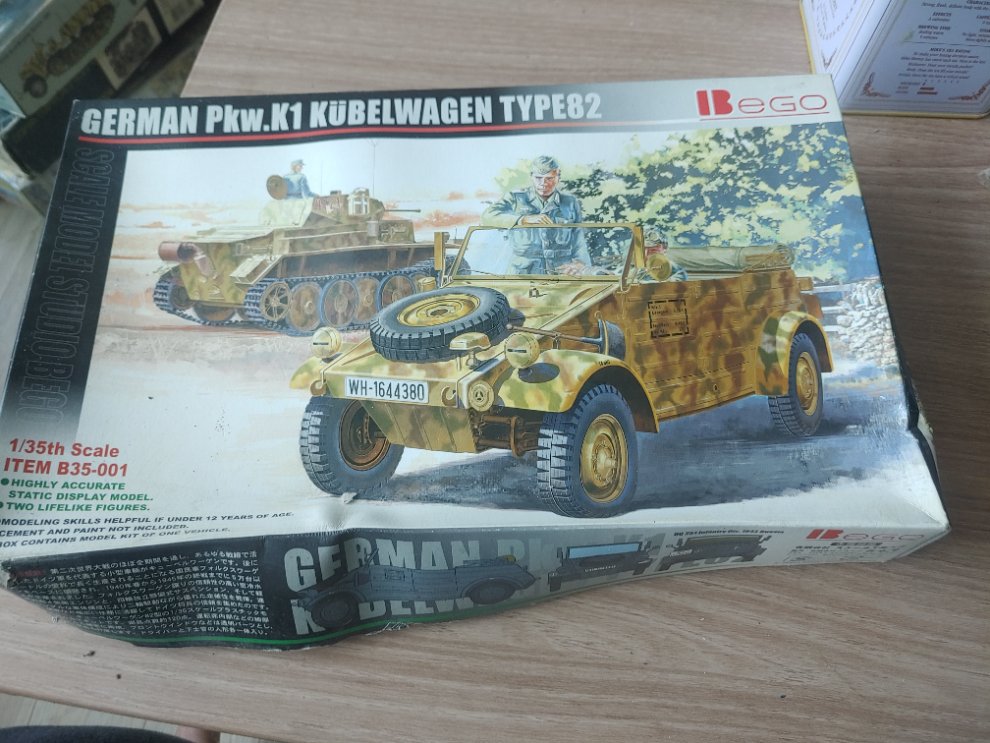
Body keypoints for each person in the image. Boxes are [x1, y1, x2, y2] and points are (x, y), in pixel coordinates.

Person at [481, 155, 590, 275]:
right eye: (538, 178)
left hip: (561, 273)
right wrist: (523, 219)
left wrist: (580, 262)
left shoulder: (569, 202)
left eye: (549, 178)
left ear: (558, 177)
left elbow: (578, 237)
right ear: (531, 177)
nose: (543, 183)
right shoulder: (516, 198)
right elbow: (486, 217)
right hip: (523, 274)